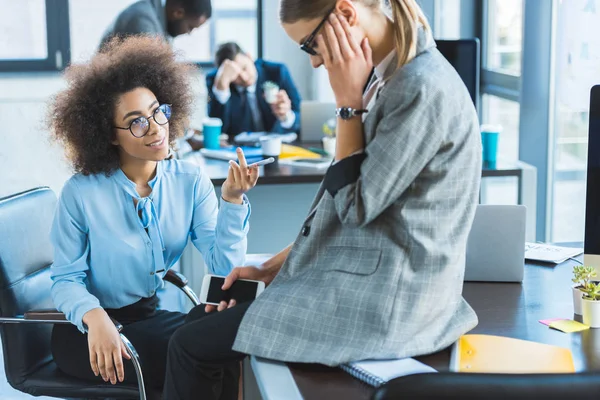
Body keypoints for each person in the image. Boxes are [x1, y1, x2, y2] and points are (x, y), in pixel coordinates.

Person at [163, 0, 482, 398]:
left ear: (346, 15)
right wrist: (274, 266)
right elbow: (353, 207)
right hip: (368, 278)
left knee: (190, 345)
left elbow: (355, 209)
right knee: (198, 321)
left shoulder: (418, 87)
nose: (314, 63)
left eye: (310, 46)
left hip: (389, 303)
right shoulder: (390, 79)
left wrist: (347, 105)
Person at [47, 36, 258, 398]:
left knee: (218, 338)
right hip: (88, 332)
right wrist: (95, 317)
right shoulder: (80, 193)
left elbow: (224, 269)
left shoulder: (190, 181)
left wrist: (233, 202)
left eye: (157, 111)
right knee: (199, 357)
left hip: (148, 319)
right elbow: (65, 279)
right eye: (136, 122)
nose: (156, 127)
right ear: (108, 136)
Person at [206, 42, 302, 141]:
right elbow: (217, 130)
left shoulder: (277, 72)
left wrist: (286, 116)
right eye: (235, 75)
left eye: (244, 68)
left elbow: (301, 118)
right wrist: (221, 88)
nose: (244, 77)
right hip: (240, 150)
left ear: (249, 57)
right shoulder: (216, 81)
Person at [99, 0, 211, 48]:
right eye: (190, 27)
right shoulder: (142, 19)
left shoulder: (157, 22)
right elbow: (153, 76)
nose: (188, 33)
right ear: (178, 13)